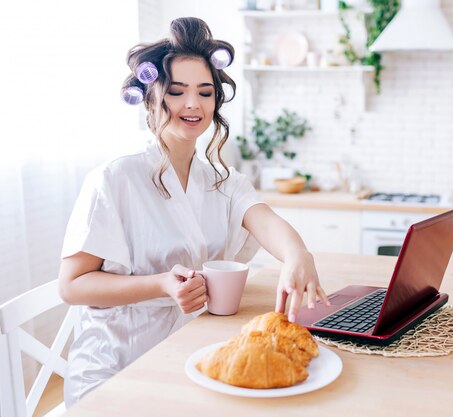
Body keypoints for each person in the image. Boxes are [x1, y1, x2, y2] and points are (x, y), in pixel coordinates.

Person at [58, 16, 329, 406]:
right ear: (151, 97)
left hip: (190, 349)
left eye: (205, 92)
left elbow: (265, 220)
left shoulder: (222, 180)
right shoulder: (115, 179)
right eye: (177, 91)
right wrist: (162, 284)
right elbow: (71, 286)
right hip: (117, 366)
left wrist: (297, 254)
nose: (192, 104)